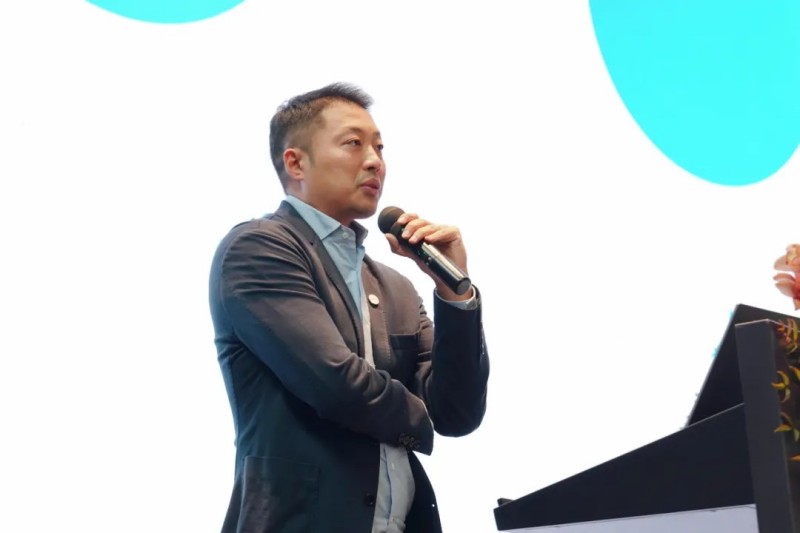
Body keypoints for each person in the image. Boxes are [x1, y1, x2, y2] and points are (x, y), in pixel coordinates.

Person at [208, 82, 490, 533]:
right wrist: (421, 417)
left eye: (379, 147)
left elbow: (457, 412)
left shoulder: (395, 286)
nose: (375, 160)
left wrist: (454, 294)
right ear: (296, 163)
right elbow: (334, 383)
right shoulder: (259, 249)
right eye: (354, 143)